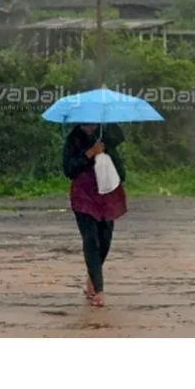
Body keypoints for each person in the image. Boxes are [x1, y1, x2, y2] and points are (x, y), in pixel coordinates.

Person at [63, 123, 128, 307]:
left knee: (105, 238)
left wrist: (104, 148)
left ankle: (93, 274)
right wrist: (89, 154)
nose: (90, 124)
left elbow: (119, 164)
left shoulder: (106, 133)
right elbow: (69, 169)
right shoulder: (73, 139)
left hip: (107, 194)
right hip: (83, 196)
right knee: (91, 238)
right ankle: (98, 290)